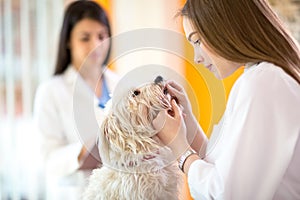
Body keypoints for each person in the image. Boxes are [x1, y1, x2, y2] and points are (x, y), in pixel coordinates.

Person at [153, 0, 300, 199]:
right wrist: (186, 120)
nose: (196, 58)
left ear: (224, 26)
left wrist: (179, 147)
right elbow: (223, 168)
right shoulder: (261, 78)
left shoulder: (262, 82)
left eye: (197, 41)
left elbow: (229, 194)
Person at [33, 1, 118, 199]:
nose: (95, 45)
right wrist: (83, 152)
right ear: (68, 41)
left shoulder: (121, 84)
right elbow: (48, 159)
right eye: (85, 38)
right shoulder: (50, 92)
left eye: (101, 36)